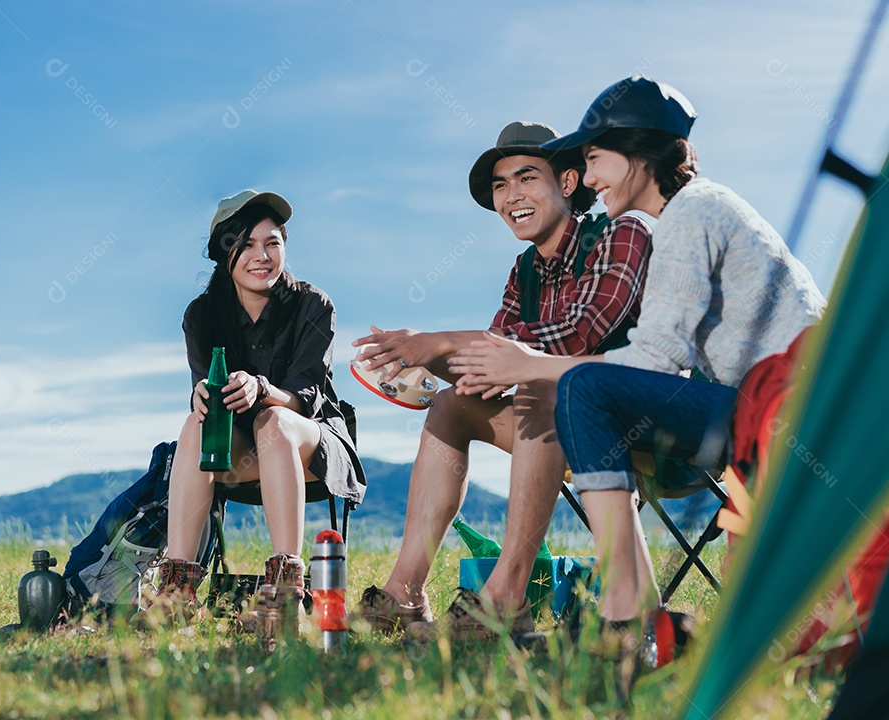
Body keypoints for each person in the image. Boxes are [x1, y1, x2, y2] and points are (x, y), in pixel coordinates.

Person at [450, 77, 825, 649]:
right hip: (755, 405)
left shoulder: (694, 212)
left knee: (585, 387)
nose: (591, 178)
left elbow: (654, 362)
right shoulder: (685, 217)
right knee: (585, 386)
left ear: (639, 154)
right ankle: (638, 612)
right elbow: (656, 352)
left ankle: (629, 615)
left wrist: (530, 364)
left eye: (596, 159)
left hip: (794, 404)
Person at [354, 122, 654, 639]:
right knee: (451, 403)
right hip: (561, 433)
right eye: (500, 185)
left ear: (566, 182)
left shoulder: (614, 236)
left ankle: (507, 595)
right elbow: (495, 369)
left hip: (642, 429)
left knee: (546, 385)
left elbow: (574, 338)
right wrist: (420, 363)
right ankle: (404, 594)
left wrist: (441, 339)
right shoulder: (524, 271)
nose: (511, 195)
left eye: (526, 177)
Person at [140, 189, 365, 627]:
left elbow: (307, 395)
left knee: (275, 420)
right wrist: (202, 395)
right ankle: (178, 591)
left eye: (272, 242)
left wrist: (261, 388)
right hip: (241, 454)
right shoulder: (201, 315)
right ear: (223, 254)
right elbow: (204, 397)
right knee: (192, 425)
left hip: (311, 446)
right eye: (245, 245)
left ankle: (284, 588)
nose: (261, 256)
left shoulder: (312, 305)